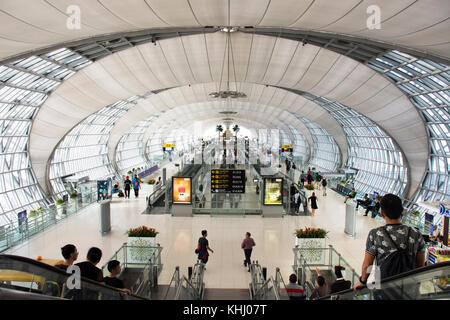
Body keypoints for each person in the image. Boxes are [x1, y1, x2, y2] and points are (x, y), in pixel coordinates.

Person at [353, 194, 426, 291]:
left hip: (385, 287)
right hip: (409, 288)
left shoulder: (375, 234)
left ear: (382, 213)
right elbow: (420, 265)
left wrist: (362, 282)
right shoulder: (416, 234)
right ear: (401, 211)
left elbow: (367, 265)